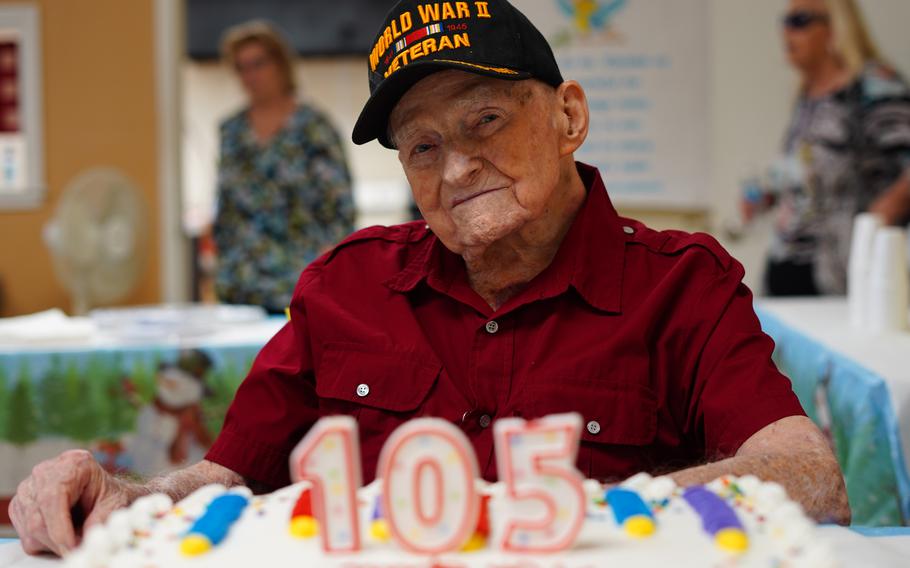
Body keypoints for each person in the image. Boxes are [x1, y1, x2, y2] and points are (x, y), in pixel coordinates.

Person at [9, 0, 850, 556]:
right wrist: (127, 495)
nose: (455, 167)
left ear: (568, 118)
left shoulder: (683, 285)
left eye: (483, 119)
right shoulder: (343, 288)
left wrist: (582, 521)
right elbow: (223, 477)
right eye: (422, 146)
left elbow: (806, 473)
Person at [747, 0, 910, 296]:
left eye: (800, 20)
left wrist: (885, 209)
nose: (786, 31)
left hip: (847, 278)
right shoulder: (808, 96)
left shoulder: (872, 86)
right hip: (790, 268)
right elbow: (808, 173)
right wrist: (766, 195)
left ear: (835, 28)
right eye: (785, 21)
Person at [212, 21, 355, 313]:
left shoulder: (313, 127)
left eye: (258, 64)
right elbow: (226, 209)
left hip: (299, 279)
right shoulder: (232, 131)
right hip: (239, 284)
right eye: (241, 67)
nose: (250, 75)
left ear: (280, 64)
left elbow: (339, 204)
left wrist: (330, 262)